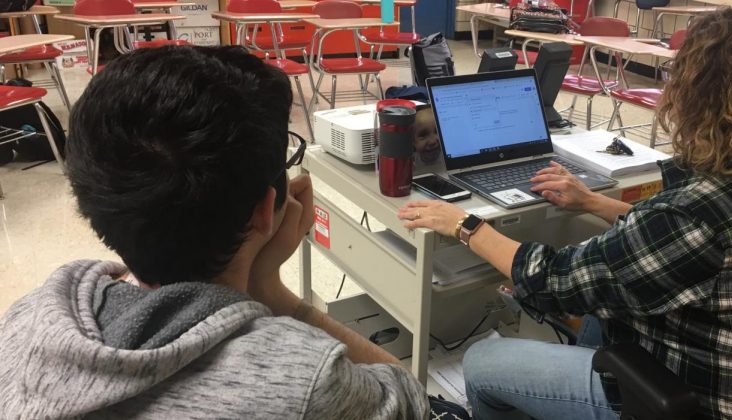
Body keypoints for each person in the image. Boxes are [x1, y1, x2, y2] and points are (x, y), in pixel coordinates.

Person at [398, 8, 732, 420]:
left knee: (483, 360)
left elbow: (554, 281)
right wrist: (595, 203)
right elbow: (684, 248)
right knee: (598, 308)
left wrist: (464, 225)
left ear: (697, 94)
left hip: (688, 399)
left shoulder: (695, 213)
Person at [0, 46, 428, 419]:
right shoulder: (306, 381)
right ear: (265, 210)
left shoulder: (30, 315)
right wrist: (270, 291)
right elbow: (415, 402)